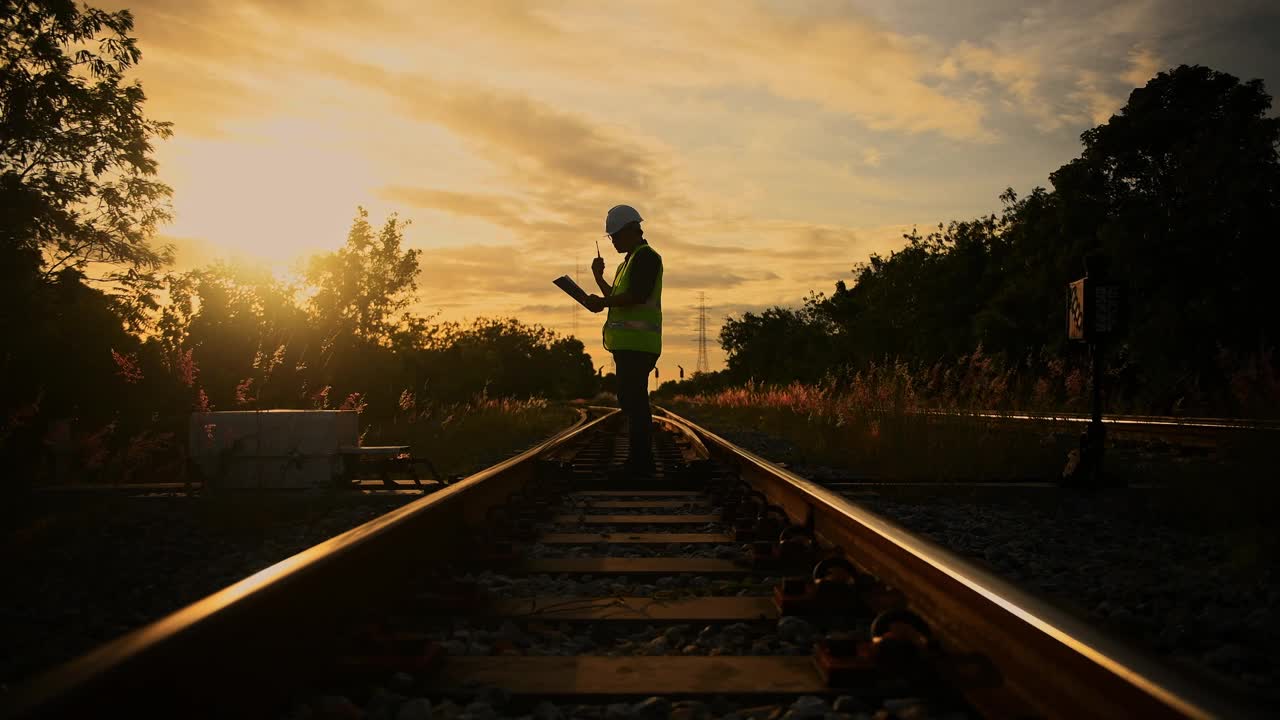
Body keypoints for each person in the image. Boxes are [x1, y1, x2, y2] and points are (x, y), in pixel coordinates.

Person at [584, 205, 663, 475]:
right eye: (611, 237)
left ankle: (641, 463)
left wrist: (602, 302)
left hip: (639, 345)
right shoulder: (626, 263)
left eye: (615, 235)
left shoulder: (647, 258)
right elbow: (617, 301)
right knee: (630, 400)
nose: (613, 241)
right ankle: (640, 461)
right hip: (628, 345)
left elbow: (637, 296)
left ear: (631, 231)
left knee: (634, 401)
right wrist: (598, 279)